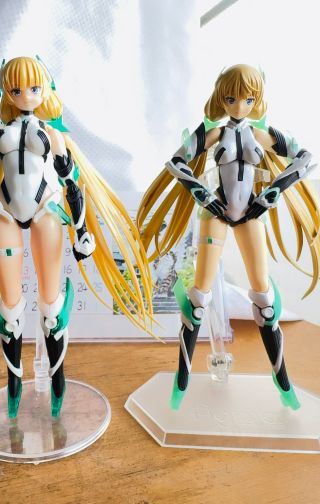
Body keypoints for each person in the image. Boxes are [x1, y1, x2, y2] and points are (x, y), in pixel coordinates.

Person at [0, 56, 152, 418]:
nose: (26, 95)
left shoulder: (52, 136)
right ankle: (13, 380)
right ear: (6, 92)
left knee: (51, 308)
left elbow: (72, 185)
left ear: (45, 89)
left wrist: (82, 230)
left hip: (45, 213)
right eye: (17, 89)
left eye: (34, 87)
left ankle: (57, 378)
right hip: (5, 212)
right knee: (9, 309)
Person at [137, 64, 320, 411]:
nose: (239, 106)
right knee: (197, 300)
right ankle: (181, 382)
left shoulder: (262, 135)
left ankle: (283, 381)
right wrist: (203, 195)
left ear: (257, 99)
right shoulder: (213, 134)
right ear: (221, 97)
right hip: (216, 215)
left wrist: (274, 191)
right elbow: (176, 162)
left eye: (248, 99)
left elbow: (305, 157)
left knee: (265, 302)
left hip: (250, 214)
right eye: (232, 98)